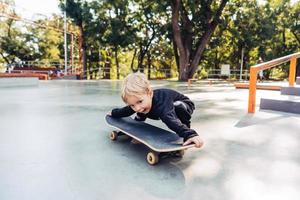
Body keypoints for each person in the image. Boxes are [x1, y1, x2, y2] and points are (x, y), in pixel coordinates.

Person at [108, 72, 203, 148]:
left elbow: (171, 121)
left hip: (183, 105)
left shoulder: (162, 106)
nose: (136, 107)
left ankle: (186, 126)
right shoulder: (139, 102)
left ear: (150, 93)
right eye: (132, 105)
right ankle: (138, 124)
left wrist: (191, 134)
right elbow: (126, 110)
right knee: (142, 109)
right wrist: (113, 113)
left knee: (177, 108)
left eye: (140, 101)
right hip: (156, 108)